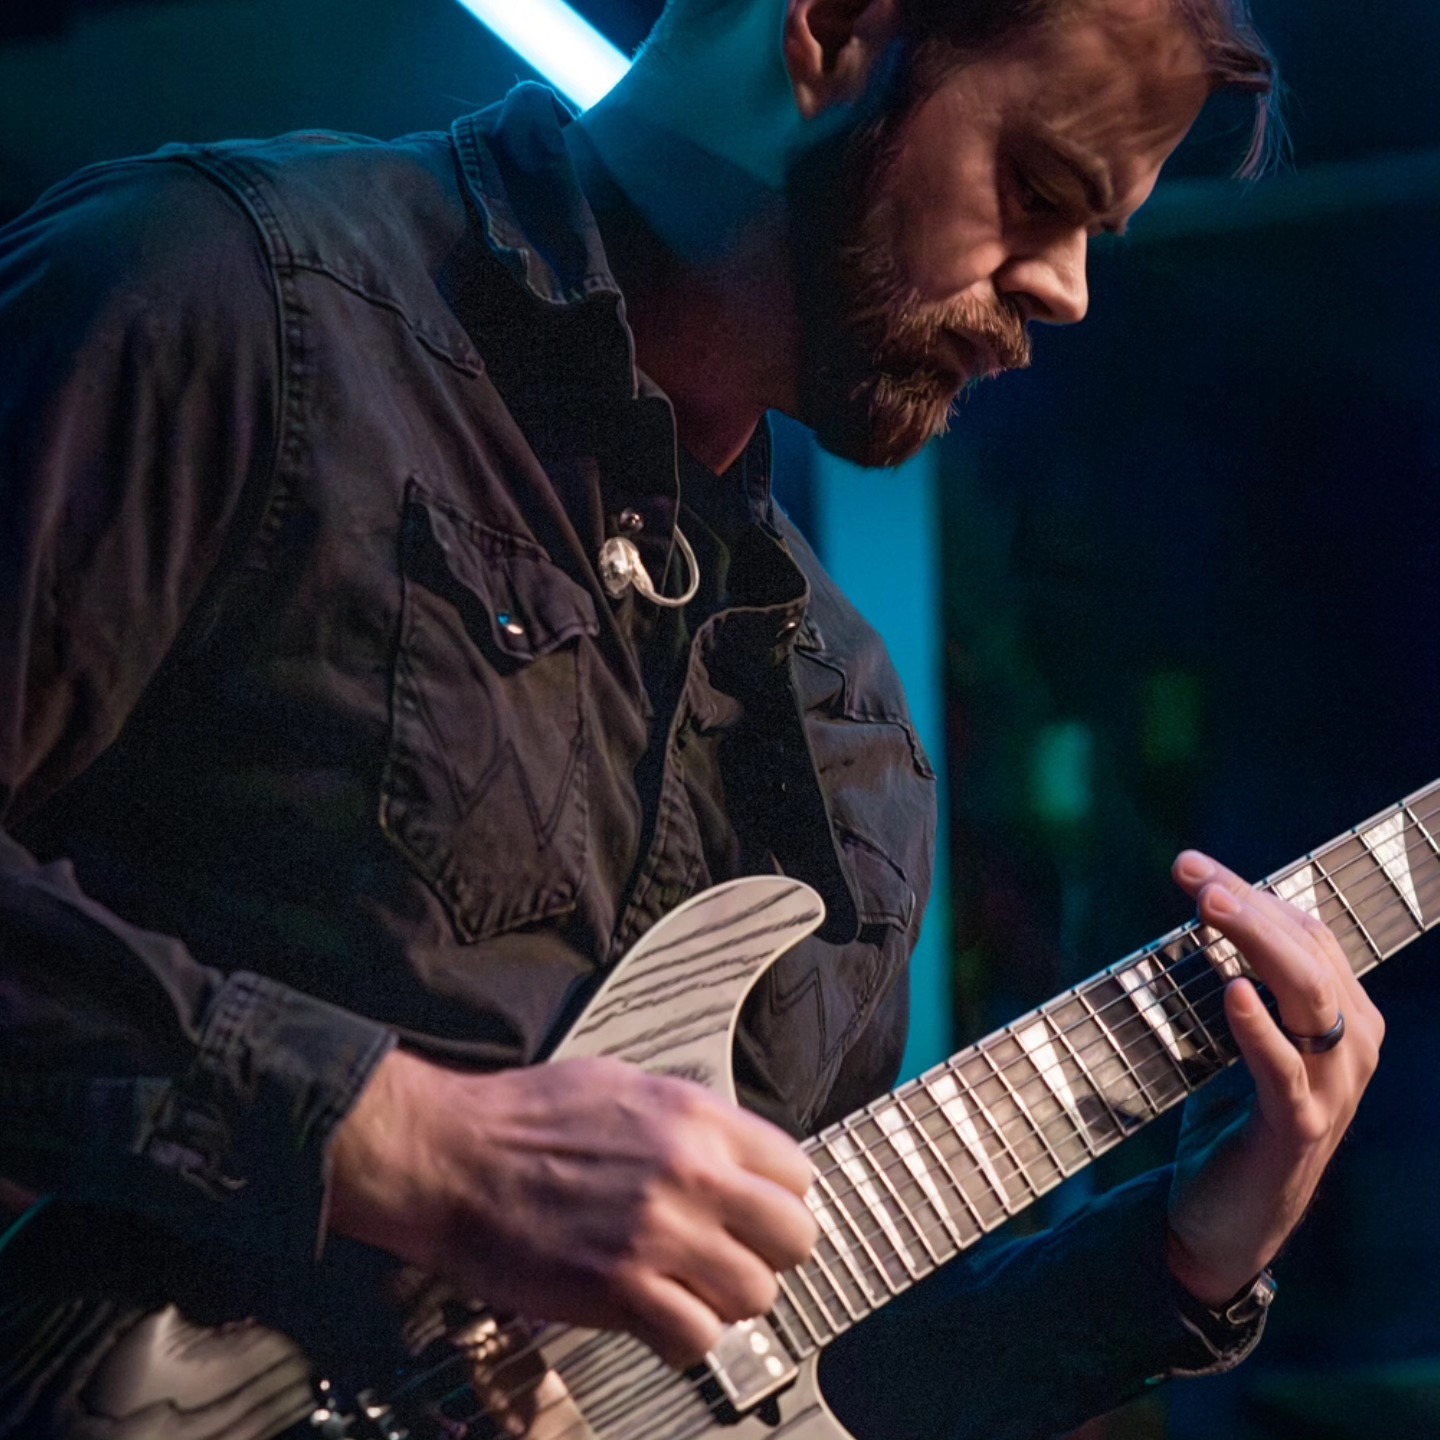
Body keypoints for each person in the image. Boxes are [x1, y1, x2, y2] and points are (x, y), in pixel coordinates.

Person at [0, 1, 1383, 1436]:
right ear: (830, 28)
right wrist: (394, 1138)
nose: (1070, 290)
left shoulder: (849, 726)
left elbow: (766, 1376)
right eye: (1037, 189)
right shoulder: (228, 303)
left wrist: (1175, 1260)